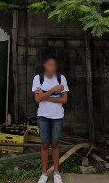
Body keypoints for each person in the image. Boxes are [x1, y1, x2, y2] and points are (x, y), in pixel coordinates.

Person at [32, 55, 69, 183]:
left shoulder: (61, 78)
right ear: (44, 66)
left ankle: (56, 172)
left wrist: (45, 96)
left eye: (53, 65)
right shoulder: (38, 79)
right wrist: (54, 90)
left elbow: (64, 99)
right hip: (43, 117)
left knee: (55, 144)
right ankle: (44, 174)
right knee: (44, 145)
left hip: (57, 117)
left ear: (56, 67)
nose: (51, 67)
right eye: (49, 64)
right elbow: (37, 99)